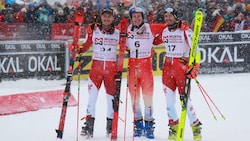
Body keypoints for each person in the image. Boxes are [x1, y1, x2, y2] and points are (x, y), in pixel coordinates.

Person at [155, 7, 202, 141]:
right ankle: (174, 128)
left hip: (181, 68)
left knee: (185, 101)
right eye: (166, 16)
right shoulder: (164, 31)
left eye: (170, 16)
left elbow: (196, 49)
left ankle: (196, 127)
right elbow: (154, 41)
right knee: (169, 104)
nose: (168, 18)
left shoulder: (185, 30)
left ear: (176, 17)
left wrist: (195, 66)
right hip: (168, 69)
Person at [78, 7, 120, 138]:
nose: (106, 19)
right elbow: (85, 46)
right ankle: (89, 126)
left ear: (113, 18)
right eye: (104, 16)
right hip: (96, 68)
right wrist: (77, 49)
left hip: (111, 70)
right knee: (91, 98)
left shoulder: (118, 32)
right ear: (101, 17)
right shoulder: (93, 30)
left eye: (109, 16)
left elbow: (128, 47)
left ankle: (110, 126)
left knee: (111, 100)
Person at [126, 5, 163, 139]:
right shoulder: (127, 29)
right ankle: (138, 124)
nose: (136, 19)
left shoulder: (150, 27)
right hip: (132, 66)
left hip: (145, 66)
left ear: (143, 17)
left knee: (148, 97)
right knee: (134, 98)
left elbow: (168, 27)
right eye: (134, 16)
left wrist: (182, 25)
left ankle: (149, 125)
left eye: (138, 16)